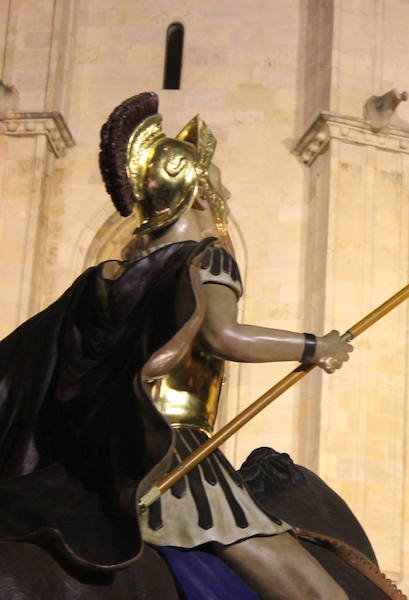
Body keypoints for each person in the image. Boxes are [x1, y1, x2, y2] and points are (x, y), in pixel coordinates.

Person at [0, 92, 354, 599]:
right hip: (175, 455)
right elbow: (221, 335)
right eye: (220, 187)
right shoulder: (205, 258)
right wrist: (315, 345)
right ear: (201, 195)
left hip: (104, 459)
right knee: (321, 595)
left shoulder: (110, 276)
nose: (223, 198)